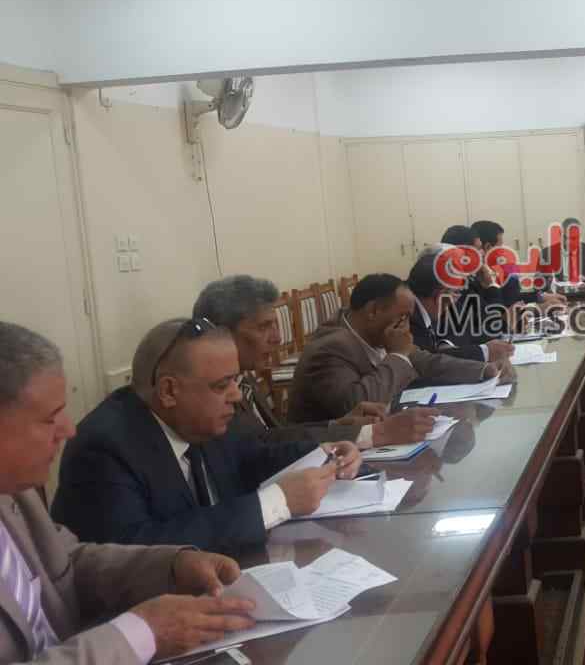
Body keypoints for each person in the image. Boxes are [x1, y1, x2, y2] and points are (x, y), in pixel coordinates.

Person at [0, 321, 261, 662]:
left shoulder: (14, 494)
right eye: (50, 419)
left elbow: (67, 564)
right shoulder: (103, 443)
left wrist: (173, 565)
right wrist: (140, 634)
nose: (68, 430)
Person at [53, 319, 362, 555]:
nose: (236, 395)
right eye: (221, 385)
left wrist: (322, 453)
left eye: (236, 380)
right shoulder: (104, 448)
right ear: (169, 391)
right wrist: (277, 502)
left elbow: (251, 457)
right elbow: (139, 550)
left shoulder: (201, 417)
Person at [193, 275, 439, 447]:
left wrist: (336, 425)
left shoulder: (242, 378)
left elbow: (272, 437)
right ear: (221, 334)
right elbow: (254, 452)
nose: (277, 338)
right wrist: (370, 434)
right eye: (264, 327)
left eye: (276, 325)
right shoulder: (210, 396)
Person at [286, 274, 497, 424]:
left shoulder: (374, 333)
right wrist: (397, 355)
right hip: (324, 455)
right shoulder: (331, 348)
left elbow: (427, 361)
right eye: (403, 316)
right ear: (373, 311)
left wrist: (483, 370)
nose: (406, 326)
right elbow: (358, 406)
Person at [407, 249, 515, 363]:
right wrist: (484, 353)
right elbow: (428, 362)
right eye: (456, 292)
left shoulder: (427, 305)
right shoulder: (407, 315)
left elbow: (466, 334)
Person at [472, 220, 568, 309]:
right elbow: (500, 313)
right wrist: (540, 308)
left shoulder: (492, 271)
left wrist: (543, 297)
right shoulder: (476, 281)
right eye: (500, 247)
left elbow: (513, 298)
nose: (503, 252)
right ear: (488, 247)